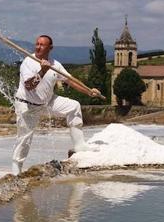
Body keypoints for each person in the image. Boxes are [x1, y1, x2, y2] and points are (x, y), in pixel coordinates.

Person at [12, 35, 100, 175]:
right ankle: (16, 169)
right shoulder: (28, 62)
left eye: (42, 45)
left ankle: (79, 145)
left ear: (50, 48)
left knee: (74, 106)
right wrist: (42, 71)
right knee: (24, 139)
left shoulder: (55, 64)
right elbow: (29, 86)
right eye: (37, 44)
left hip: (47, 101)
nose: (38, 47)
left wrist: (89, 91)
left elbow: (71, 81)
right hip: (27, 105)